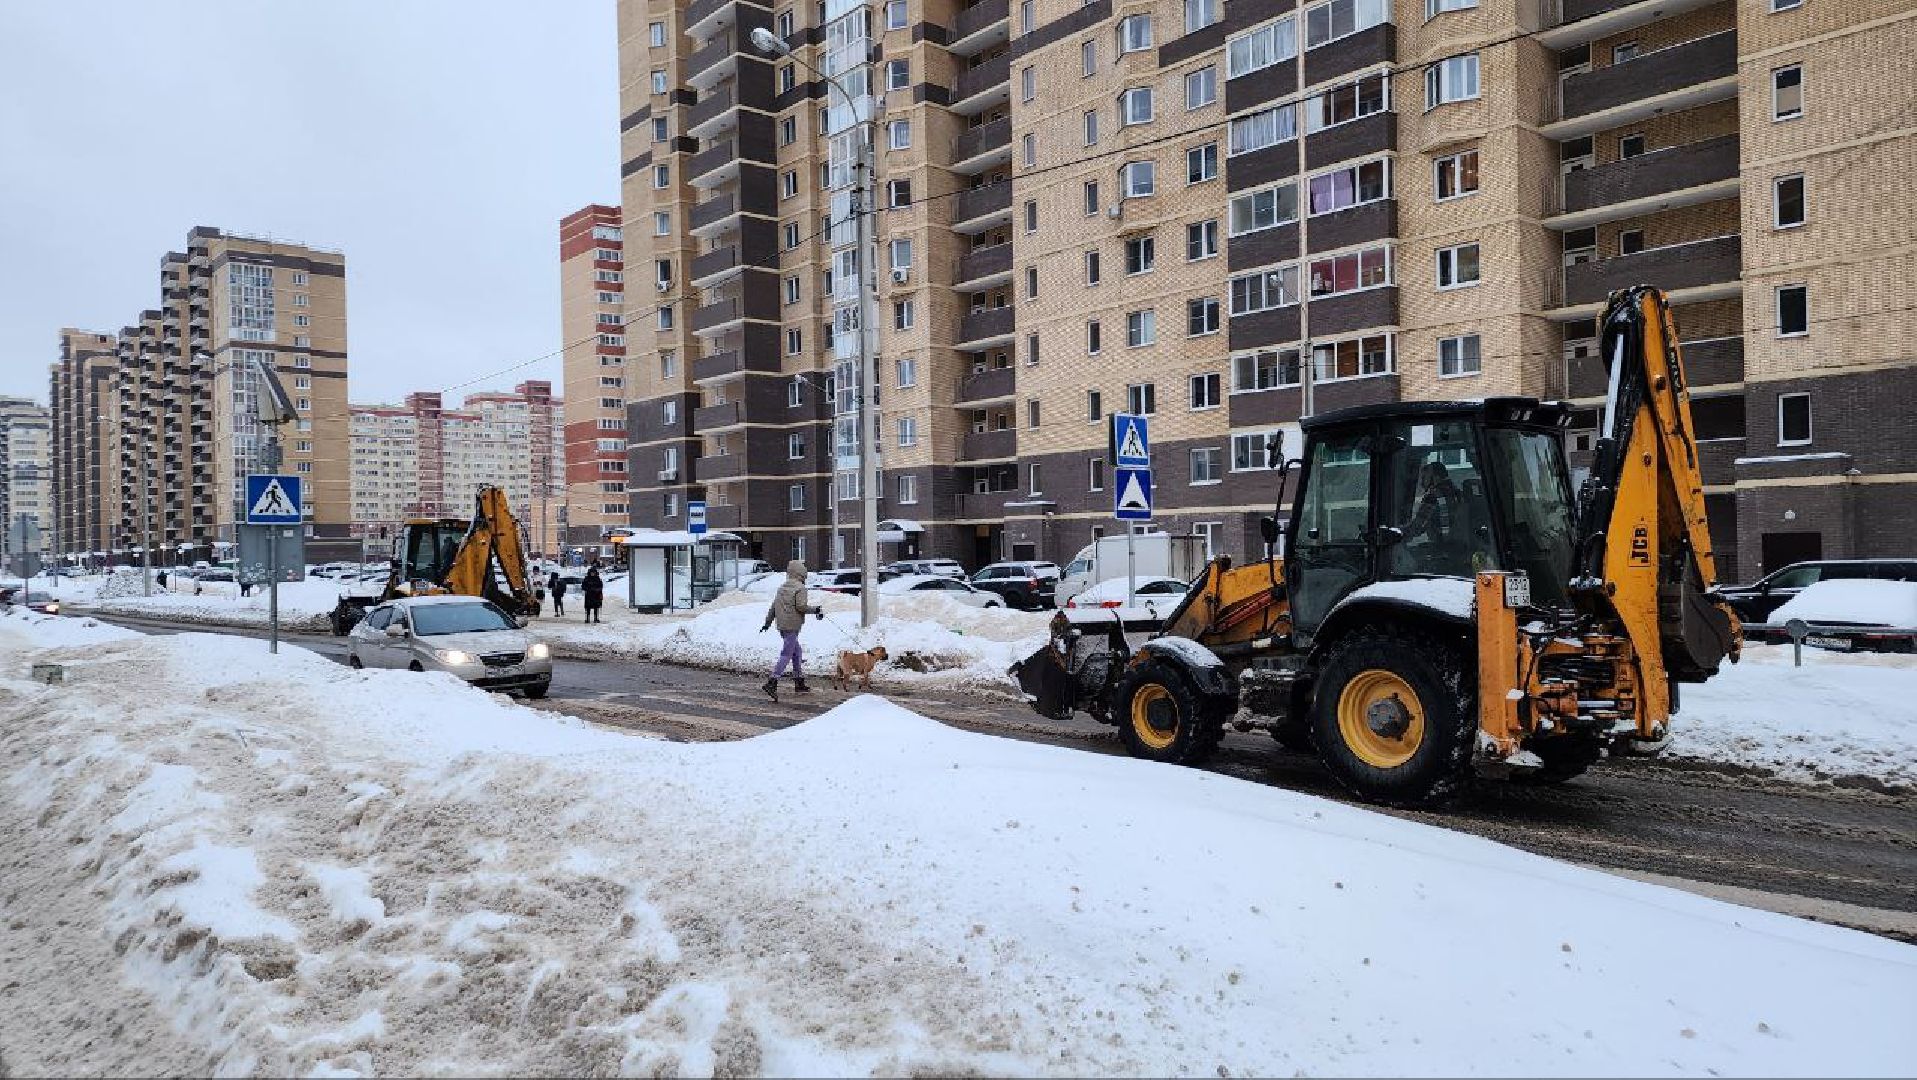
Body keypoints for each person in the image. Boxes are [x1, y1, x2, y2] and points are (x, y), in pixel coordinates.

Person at [759, 559, 823, 701]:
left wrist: (767, 623)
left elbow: (773, 607)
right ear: (801, 575)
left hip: (782, 625)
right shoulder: (800, 588)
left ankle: (799, 681)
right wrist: (816, 610)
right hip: (792, 625)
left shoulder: (782, 588)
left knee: (796, 651)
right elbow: (801, 607)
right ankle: (772, 682)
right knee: (787, 653)